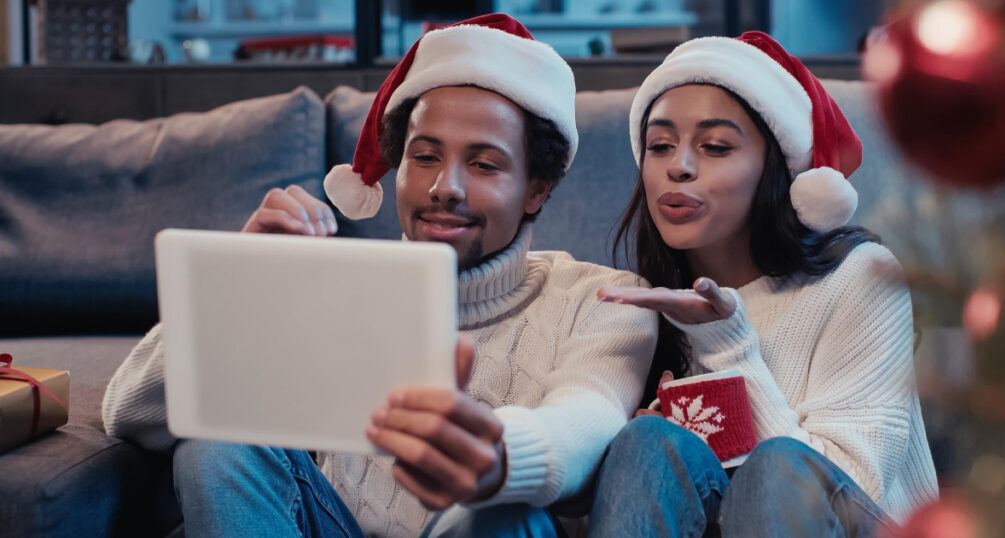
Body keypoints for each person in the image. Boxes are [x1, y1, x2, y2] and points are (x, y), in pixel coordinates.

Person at [102, 14, 657, 538]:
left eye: (484, 164)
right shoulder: (326, 286)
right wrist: (244, 291)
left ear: (537, 188)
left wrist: (499, 461)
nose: (446, 187)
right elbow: (129, 415)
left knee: (502, 511)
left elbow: (589, 416)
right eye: (424, 157)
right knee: (214, 444)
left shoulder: (605, 298)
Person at [587, 32, 938, 537]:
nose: (678, 166)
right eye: (659, 146)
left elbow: (846, 484)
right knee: (648, 442)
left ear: (773, 169)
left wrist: (727, 343)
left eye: (714, 147)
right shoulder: (649, 304)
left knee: (777, 465)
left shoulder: (860, 276)